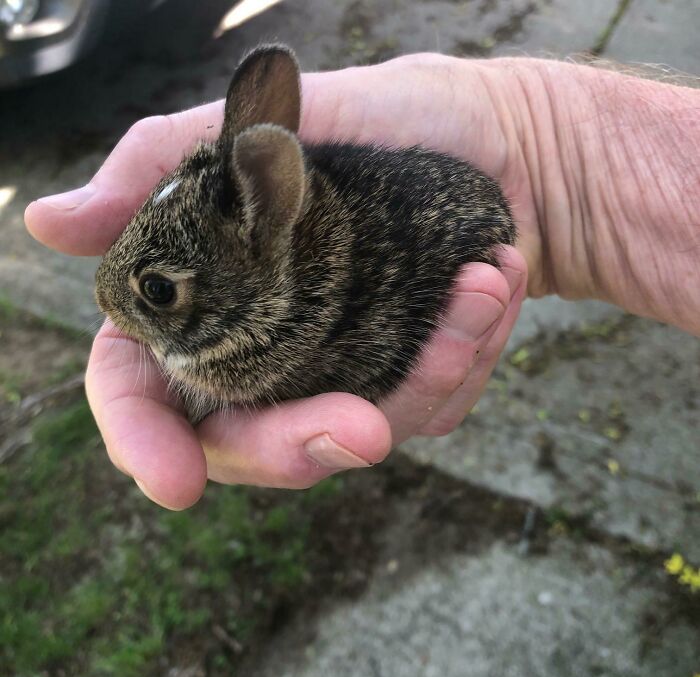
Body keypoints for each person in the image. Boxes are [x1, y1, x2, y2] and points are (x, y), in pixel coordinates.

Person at [24, 54, 700, 510]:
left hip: (450, 239)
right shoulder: (249, 237)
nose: (108, 303)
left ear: (258, 245)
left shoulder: (263, 339)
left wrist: (552, 154)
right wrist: (544, 142)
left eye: (159, 291)